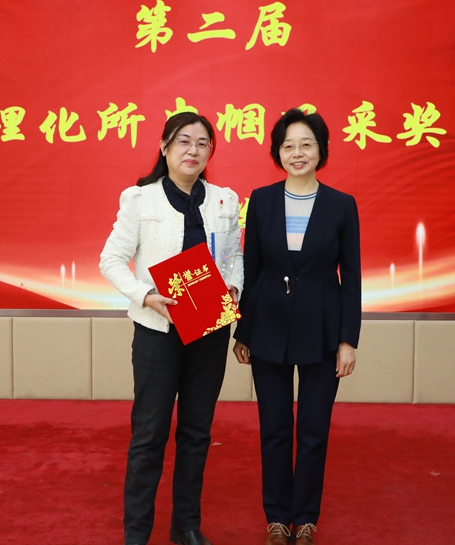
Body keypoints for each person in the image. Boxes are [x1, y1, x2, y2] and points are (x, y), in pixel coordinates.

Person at [100, 111, 244, 545]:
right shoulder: (140, 199)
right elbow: (111, 260)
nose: (192, 151)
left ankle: (185, 525)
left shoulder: (224, 200)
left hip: (209, 329)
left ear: (210, 151)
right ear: (164, 147)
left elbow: (235, 257)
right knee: (149, 434)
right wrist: (145, 295)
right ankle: (137, 532)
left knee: (197, 433)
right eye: (183, 141)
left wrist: (234, 288)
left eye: (202, 143)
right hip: (157, 332)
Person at [233, 108, 361, 545]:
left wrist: (347, 340)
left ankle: (305, 519)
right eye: (288, 145)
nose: (297, 153)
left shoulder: (341, 205)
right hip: (267, 328)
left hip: (323, 331)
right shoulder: (262, 200)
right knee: (274, 428)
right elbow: (251, 270)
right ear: (278, 153)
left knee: (312, 430)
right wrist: (243, 332)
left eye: (306, 144)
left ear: (321, 150)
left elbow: (351, 279)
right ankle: (276, 518)